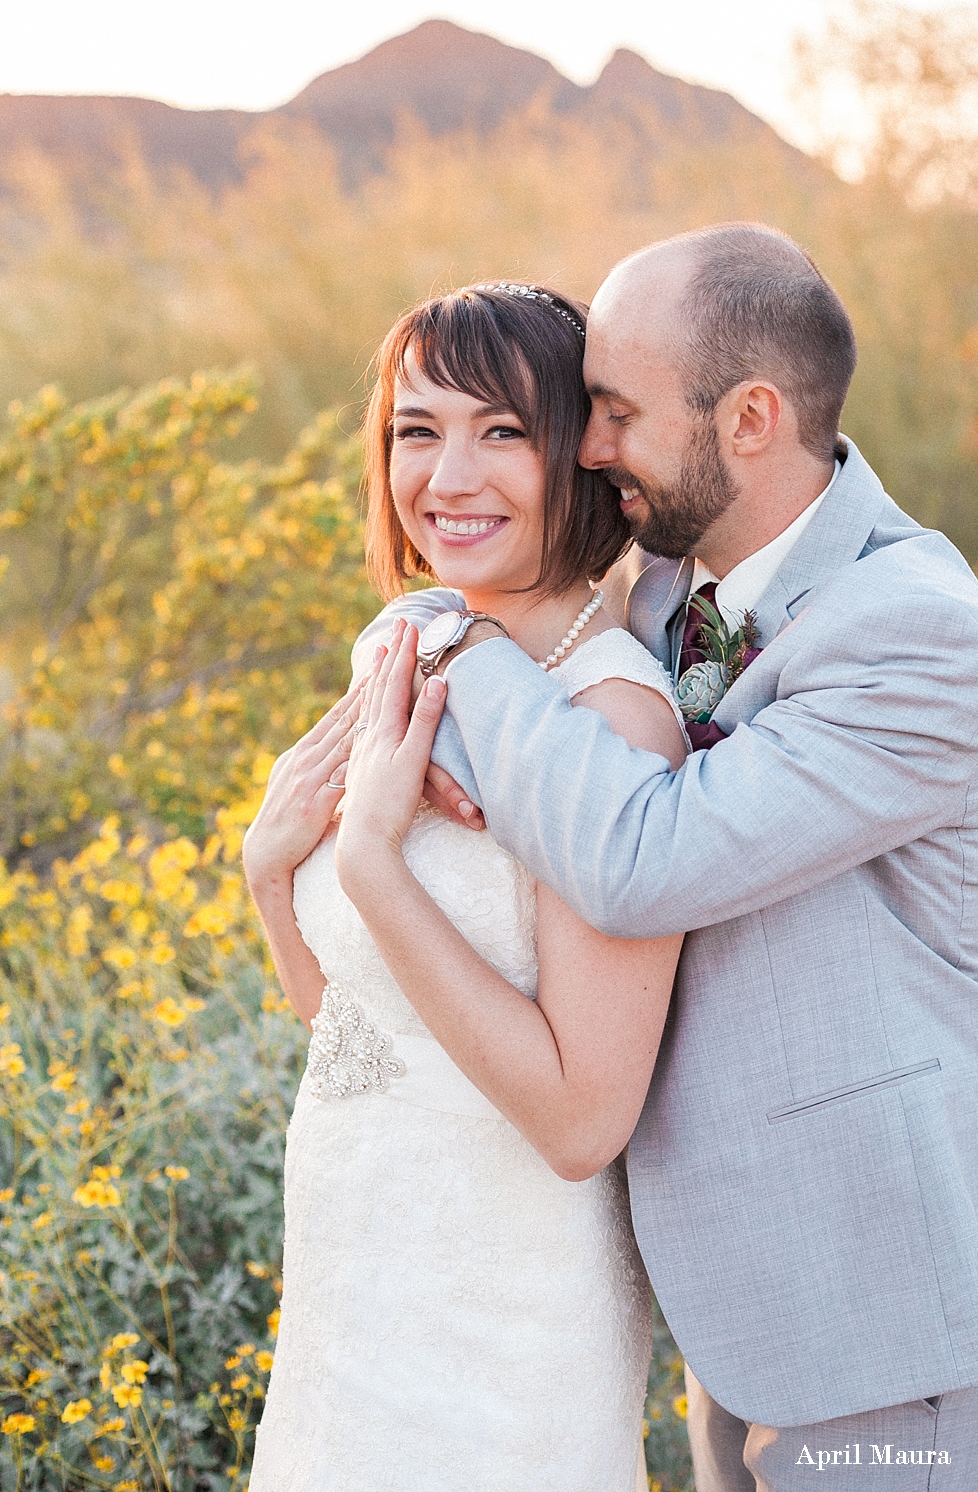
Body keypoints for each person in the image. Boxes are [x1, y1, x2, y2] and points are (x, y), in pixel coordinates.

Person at [362, 225, 978, 1491]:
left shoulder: (914, 632)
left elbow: (639, 861)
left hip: (895, 1328)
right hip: (735, 1302)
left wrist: (467, 648)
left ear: (746, 418)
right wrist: (428, 616)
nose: (586, 449)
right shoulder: (664, 588)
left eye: (614, 412)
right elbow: (534, 611)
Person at [243, 282, 694, 1491]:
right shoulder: (416, 648)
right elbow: (360, 1033)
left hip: (503, 1334)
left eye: (501, 431)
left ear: (582, 454)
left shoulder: (610, 723)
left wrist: (366, 867)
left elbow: (577, 1120)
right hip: (347, 1295)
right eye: (414, 427)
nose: (447, 475)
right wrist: (268, 880)